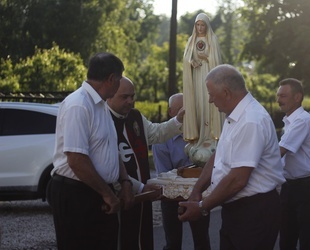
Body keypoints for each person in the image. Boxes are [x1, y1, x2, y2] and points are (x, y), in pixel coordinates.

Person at [178, 64, 286, 250]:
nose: (210, 100)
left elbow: (238, 180)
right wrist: (197, 190)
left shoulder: (251, 120)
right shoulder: (235, 116)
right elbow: (217, 157)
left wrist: (203, 207)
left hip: (254, 212)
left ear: (226, 93)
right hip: (238, 210)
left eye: (211, 94)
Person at [49, 52, 136, 250]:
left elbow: (110, 149)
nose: (120, 83)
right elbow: (77, 160)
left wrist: (125, 182)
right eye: (120, 78)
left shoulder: (102, 105)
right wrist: (108, 195)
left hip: (97, 192)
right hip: (77, 194)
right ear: (111, 79)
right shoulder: (79, 105)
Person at [107, 76, 184, 250]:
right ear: (109, 95)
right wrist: (140, 187)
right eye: (124, 97)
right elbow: (108, 165)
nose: (130, 101)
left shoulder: (135, 116)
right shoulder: (102, 119)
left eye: (132, 96)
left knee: (142, 240)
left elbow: (156, 133)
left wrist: (178, 120)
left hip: (142, 199)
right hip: (120, 196)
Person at [152, 93, 211, 250]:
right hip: (171, 196)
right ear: (171, 112)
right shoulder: (162, 138)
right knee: (172, 243)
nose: (186, 114)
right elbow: (164, 175)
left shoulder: (203, 133)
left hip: (198, 194)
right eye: (180, 110)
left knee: (202, 241)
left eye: (189, 110)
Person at [276, 78, 310, 250]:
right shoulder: (289, 122)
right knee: (286, 242)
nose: (278, 99)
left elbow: (279, 152)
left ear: (297, 97)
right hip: (289, 187)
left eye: (283, 95)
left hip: (307, 189)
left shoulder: (303, 120)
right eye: (278, 95)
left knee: (307, 243)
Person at [182, 13, 223, 166]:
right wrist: (191, 62)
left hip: (209, 75)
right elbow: (186, 58)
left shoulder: (212, 39)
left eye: (202, 25)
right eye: (197, 25)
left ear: (206, 26)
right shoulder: (191, 40)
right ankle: (200, 137)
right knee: (199, 106)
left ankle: (211, 137)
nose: (200, 28)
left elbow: (217, 60)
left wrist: (207, 58)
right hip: (196, 78)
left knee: (209, 104)